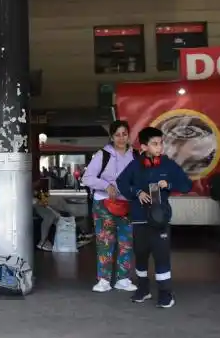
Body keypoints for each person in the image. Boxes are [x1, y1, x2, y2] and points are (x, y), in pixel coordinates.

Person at [117, 126, 193, 308]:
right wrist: (136, 192)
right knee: (141, 256)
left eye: (161, 143)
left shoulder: (168, 164)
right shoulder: (135, 165)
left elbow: (186, 185)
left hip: (160, 221)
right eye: (155, 144)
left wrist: (169, 184)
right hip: (139, 219)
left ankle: (166, 293)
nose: (159, 147)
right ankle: (143, 290)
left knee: (161, 257)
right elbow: (121, 182)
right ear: (143, 147)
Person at [81, 120, 137, 293]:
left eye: (124, 134)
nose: (121, 138)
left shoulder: (135, 156)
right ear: (112, 137)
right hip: (104, 204)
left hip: (126, 204)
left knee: (126, 242)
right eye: (117, 135)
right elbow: (87, 178)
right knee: (105, 242)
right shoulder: (103, 155)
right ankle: (104, 280)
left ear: (129, 136)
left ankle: (123, 279)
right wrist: (106, 185)